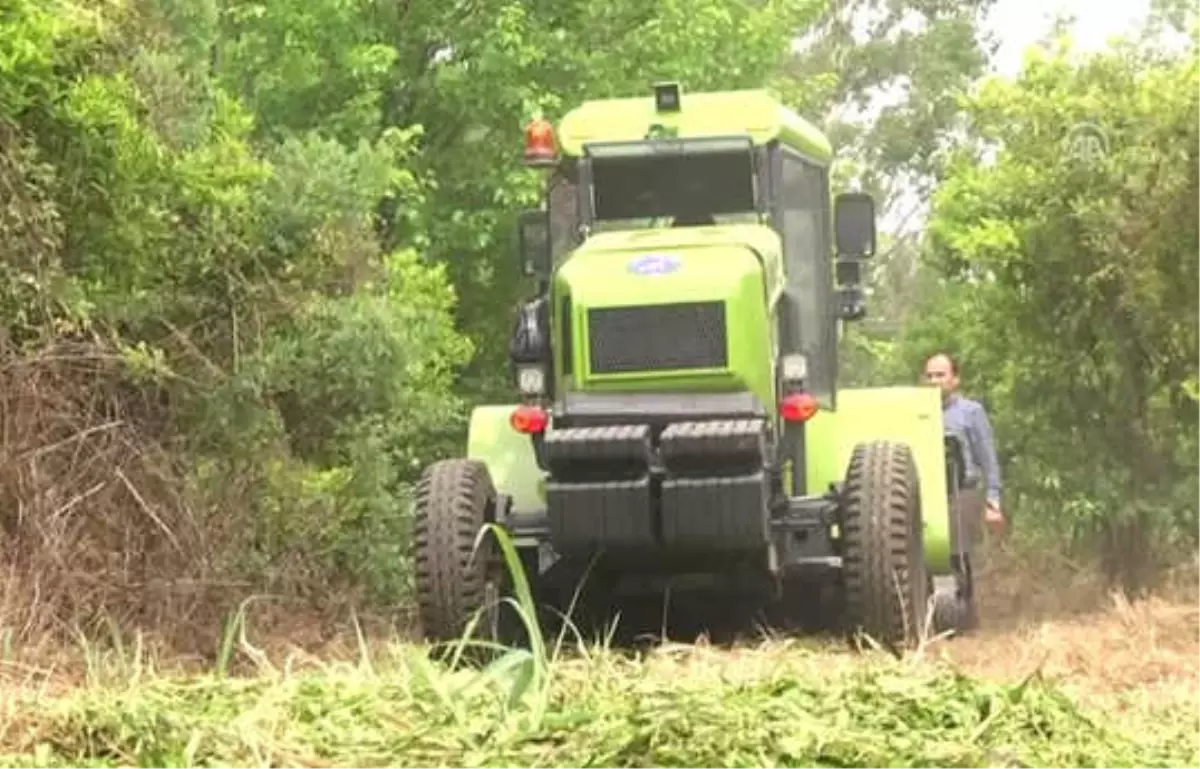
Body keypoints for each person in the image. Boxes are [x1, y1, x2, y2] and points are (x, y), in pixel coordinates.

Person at [923, 352, 1005, 541]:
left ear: (955, 379)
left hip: (962, 494)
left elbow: (988, 459)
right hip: (926, 497)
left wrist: (993, 504)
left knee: (958, 557)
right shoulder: (917, 414)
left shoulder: (971, 411)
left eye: (940, 375)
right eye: (929, 376)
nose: (934, 381)